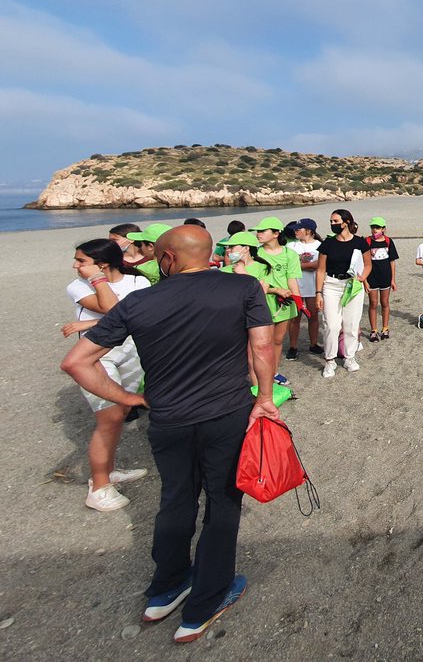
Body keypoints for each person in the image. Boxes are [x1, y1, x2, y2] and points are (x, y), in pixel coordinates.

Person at [60, 225, 278, 642]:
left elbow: (76, 363)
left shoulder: (139, 301)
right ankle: (204, 604)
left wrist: (129, 399)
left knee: (176, 498)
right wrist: (264, 397)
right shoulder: (244, 287)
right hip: (225, 413)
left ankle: (167, 588)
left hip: (167, 418)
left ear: (167, 259)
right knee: (223, 501)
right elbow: (262, 347)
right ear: (208, 253)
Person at [62, 238, 151, 511]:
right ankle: (99, 486)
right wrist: (99, 280)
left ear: (102, 263)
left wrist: (86, 322)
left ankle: (108, 470)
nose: (75, 266)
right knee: (109, 418)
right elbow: (115, 310)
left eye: (81, 261)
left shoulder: (138, 283)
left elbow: (136, 315)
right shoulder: (78, 286)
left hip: (131, 353)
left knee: (121, 413)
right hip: (99, 357)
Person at [315, 209, 371, 378]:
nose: (333, 224)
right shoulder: (328, 244)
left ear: (346, 222)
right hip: (331, 285)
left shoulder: (360, 243)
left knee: (351, 324)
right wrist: (318, 293)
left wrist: (363, 277)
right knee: (332, 325)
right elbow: (320, 270)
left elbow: (368, 264)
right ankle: (330, 360)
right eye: (331, 221)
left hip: (353, 285)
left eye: (336, 221)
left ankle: (349, 357)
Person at [251, 217, 302, 379]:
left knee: (278, 340)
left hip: (284, 303)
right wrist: (276, 290)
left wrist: (298, 302)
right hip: (261, 301)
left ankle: (273, 372)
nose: (258, 234)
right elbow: (253, 282)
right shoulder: (255, 253)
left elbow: (291, 279)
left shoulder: (290, 254)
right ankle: (260, 375)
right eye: (257, 231)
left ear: (275, 234)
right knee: (261, 343)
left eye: (262, 231)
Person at [286, 218, 323, 358]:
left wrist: (299, 266)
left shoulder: (319, 246)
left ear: (309, 231)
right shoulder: (291, 246)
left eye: (298, 229)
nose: (295, 231)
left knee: (313, 316)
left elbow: (319, 265)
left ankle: (313, 344)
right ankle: (293, 347)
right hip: (296, 287)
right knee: (295, 318)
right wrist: (309, 265)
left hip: (313, 286)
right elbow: (290, 266)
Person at [364, 217, 398, 341]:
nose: (374, 230)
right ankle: (374, 330)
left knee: (385, 303)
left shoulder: (388, 241)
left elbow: (392, 262)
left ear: (383, 229)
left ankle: (385, 328)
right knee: (373, 303)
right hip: (371, 278)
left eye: (377, 227)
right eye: (373, 227)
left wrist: (393, 280)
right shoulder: (367, 241)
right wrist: (365, 281)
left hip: (385, 277)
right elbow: (363, 262)